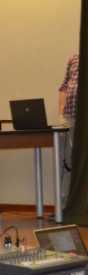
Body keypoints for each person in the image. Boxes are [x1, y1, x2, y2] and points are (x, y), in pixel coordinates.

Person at [58, 53, 79, 200]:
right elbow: (64, 87)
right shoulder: (74, 58)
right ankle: (64, 202)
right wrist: (60, 113)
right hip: (70, 116)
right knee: (67, 160)